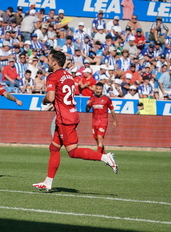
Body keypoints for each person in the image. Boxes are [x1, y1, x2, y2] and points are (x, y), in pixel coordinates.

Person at [32, 50, 118, 192]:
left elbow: (51, 97)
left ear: (54, 62)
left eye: (48, 59)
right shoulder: (68, 75)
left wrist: (43, 99)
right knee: (53, 148)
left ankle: (106, 158)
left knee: (72, 152)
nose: (46, 61)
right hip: (70, 114)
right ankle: (48, 182)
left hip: (65, 119)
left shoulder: (53, 76)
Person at [86, 82, 117, 154]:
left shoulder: (106, 99)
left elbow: (112, 109)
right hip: (94, 122)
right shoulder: (92, 98)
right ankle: (105, 156)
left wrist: (115, 120)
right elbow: (87, 110)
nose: (98, 91)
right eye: (96, 89)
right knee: (97, 140)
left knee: (100, 138)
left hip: (103, 121)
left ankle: (98, 156)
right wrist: (87, 104)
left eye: (99, 89)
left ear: (102, 89)